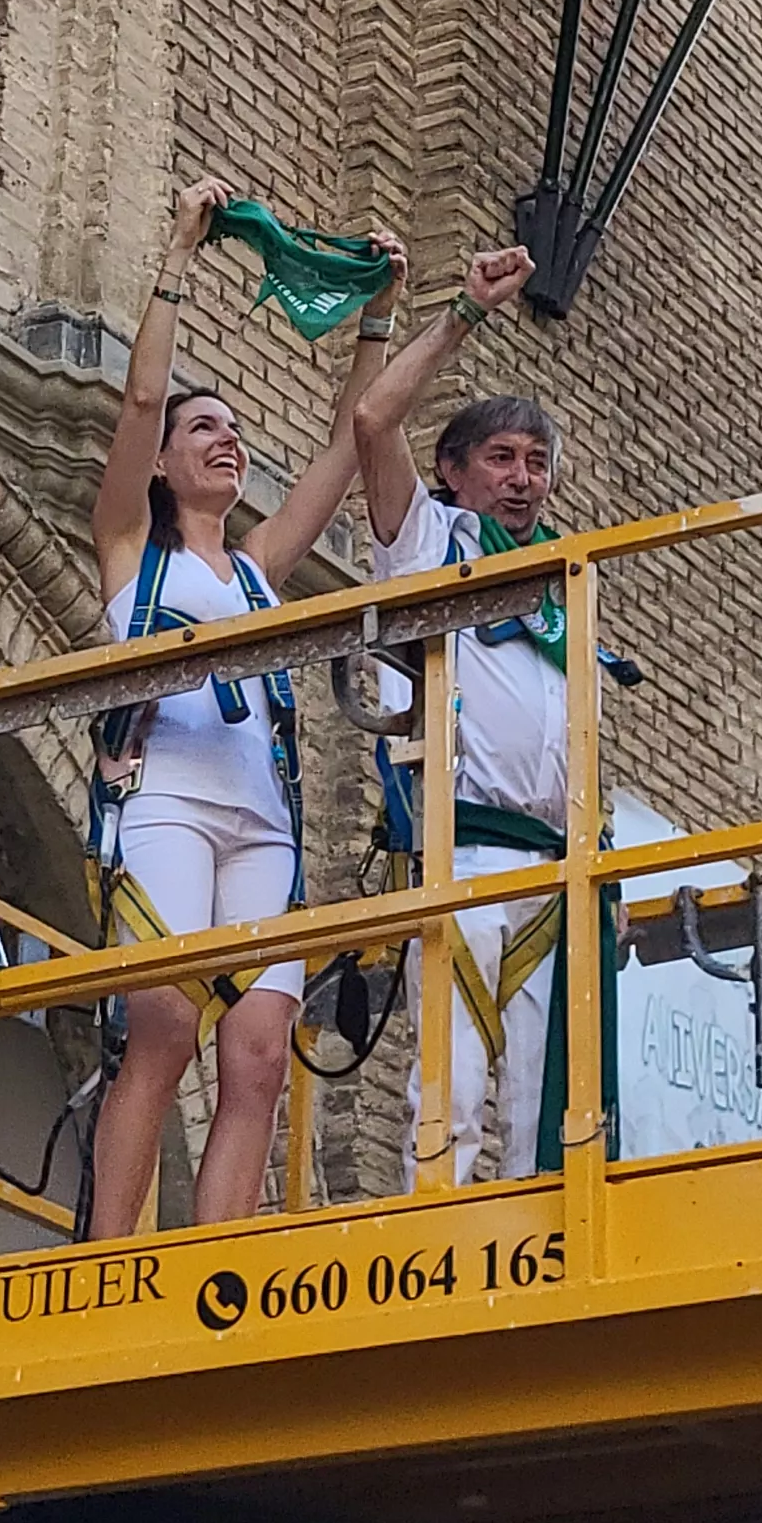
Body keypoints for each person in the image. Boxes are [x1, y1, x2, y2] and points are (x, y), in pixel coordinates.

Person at [83, 183, 512, 1237]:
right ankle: (103, 1252)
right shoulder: (132, 554)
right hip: (170, 797)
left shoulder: (262, 568)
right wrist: (178, 258)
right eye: (204, 429)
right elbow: (137, 406)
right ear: (168, 460)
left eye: (233, 428)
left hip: (261, 821)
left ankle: (214, 1260)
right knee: (165, 1024)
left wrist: (391, 313)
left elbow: (348, 445)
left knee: (262, 1052)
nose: (222, 440)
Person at [344, 270, 575, 1186]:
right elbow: (372, 422)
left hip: (558, 867)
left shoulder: (565, 576)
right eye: (503, 459)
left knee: (546, 1104)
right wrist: (464, 315)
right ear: (454, 469)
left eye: (536, 462)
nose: (524, 479)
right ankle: (436, 1248)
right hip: (466, 849)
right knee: (452, 1084)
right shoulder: (435, 541)